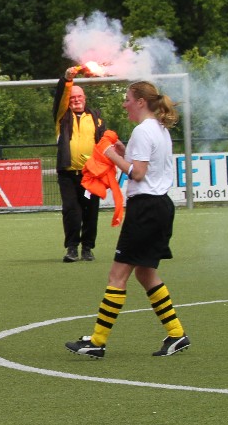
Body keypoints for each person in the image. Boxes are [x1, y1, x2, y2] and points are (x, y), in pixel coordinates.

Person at [66, 81, 190, 359]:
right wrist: (124, 154)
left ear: (141, 102)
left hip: (146, 208)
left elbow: (138, 174)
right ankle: (176, 334)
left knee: (117, 275)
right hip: (160, 206)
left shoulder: (143, 130)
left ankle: (97, 342)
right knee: (145, 273)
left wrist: (110, 154)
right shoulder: (159, 129)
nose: (125, 104)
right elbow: (144, 166)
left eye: (128, 99)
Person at [53, 66, 106, 262]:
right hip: (68, 175)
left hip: (90, 175)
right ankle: (72, 248)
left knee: (90, 211)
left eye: (79, 97)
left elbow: (104, 142)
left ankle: (88, 248)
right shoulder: (62, 117)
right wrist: (67, 80)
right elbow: (60, 98)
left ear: (85, 98)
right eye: (72, 97)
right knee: (71, 210)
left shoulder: (96, 117)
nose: (76, 100)